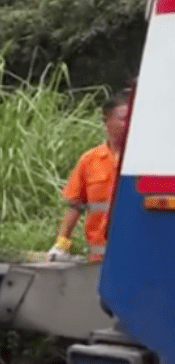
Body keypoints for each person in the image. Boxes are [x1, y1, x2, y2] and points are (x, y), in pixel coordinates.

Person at [47, 89, 132, 263]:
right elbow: (74, 205)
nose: (128, 124)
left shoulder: (143, 159)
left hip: (134, 254)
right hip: (98, 258)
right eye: (123, 119)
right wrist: (61, 244)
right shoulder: (90, 160)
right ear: (106, 120)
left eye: (132, 119)